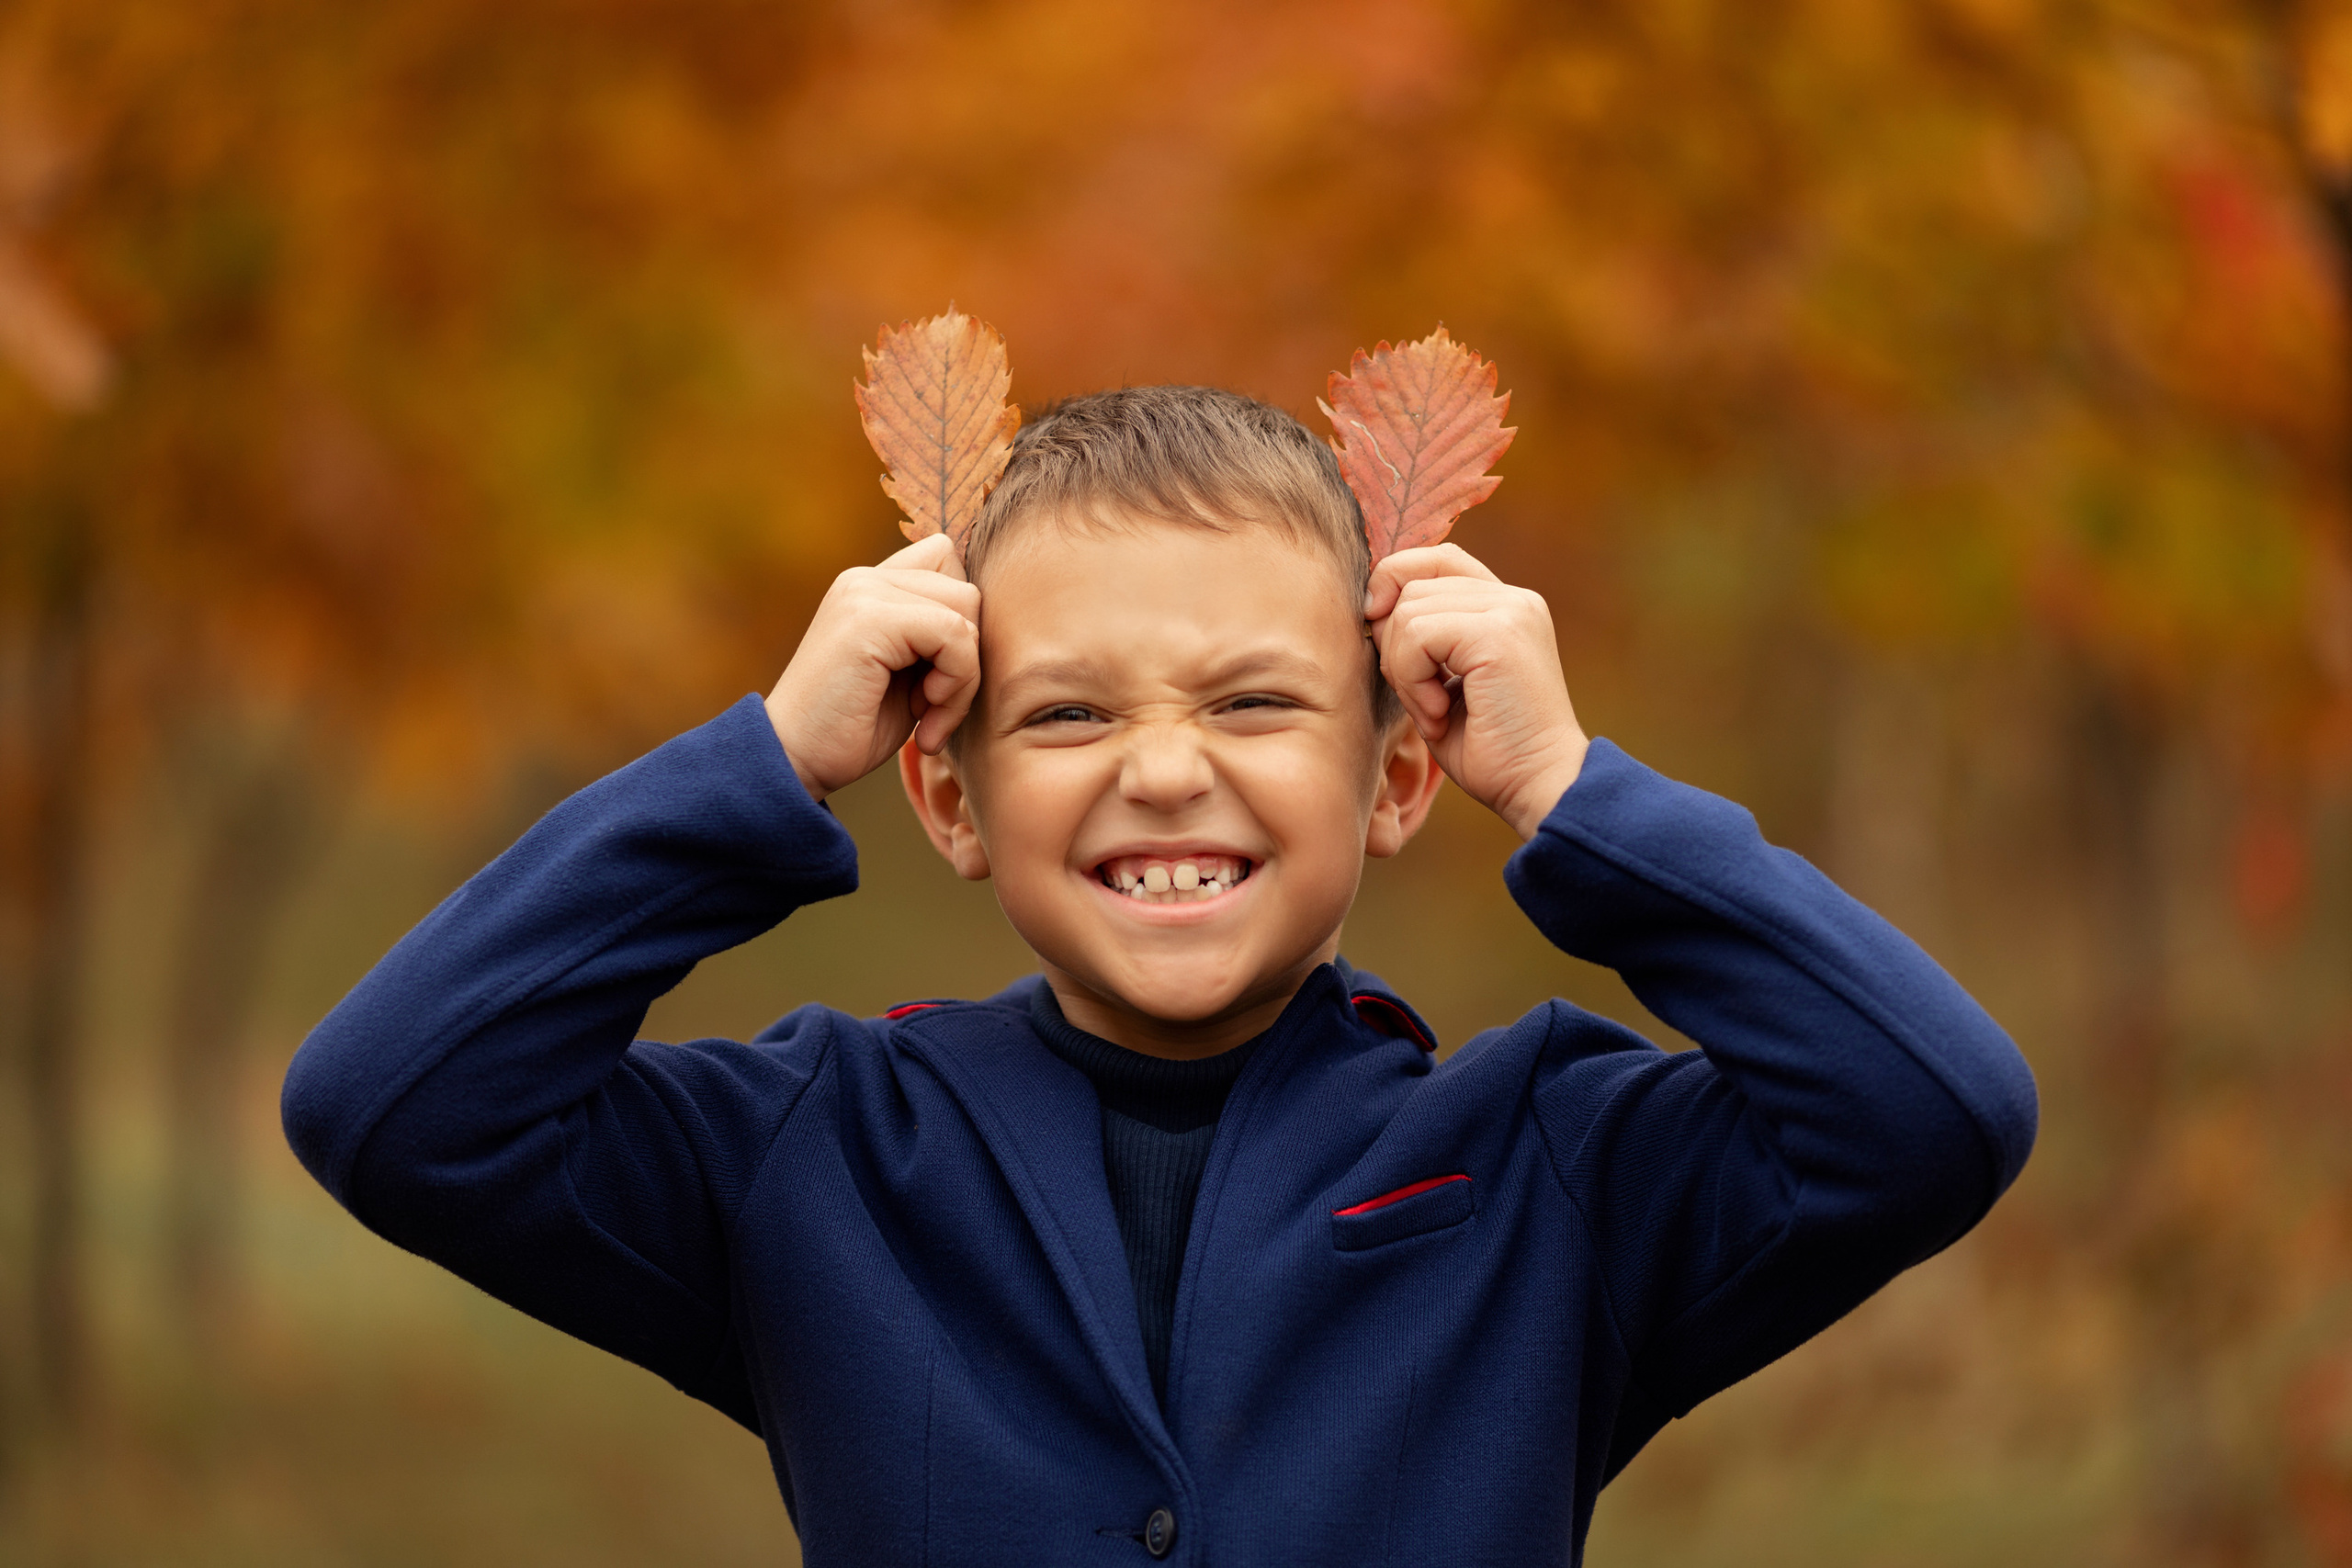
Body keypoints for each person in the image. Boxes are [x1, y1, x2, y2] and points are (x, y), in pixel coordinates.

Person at [282, 385, 2037, 1566]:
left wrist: (1580, 797)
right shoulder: (815, 1156)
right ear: (952, 796)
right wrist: (759, 767)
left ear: (1404, 775)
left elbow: (1934, 1115)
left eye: (1255, 701)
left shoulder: (1554, 1173)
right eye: (1067, 713)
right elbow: (396, 1105)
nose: (1166, 768)